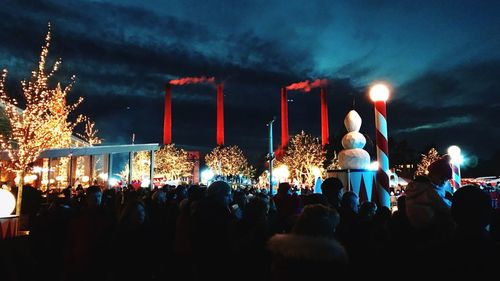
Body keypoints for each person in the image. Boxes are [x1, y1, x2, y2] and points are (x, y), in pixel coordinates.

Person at [405, 155, 455, 239]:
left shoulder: (418, 186)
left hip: (418, 228)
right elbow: (445, 208)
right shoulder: (428, 190)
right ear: (433, 174)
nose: (443, 182)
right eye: (441, 178)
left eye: (446, 180)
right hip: (431, 230)